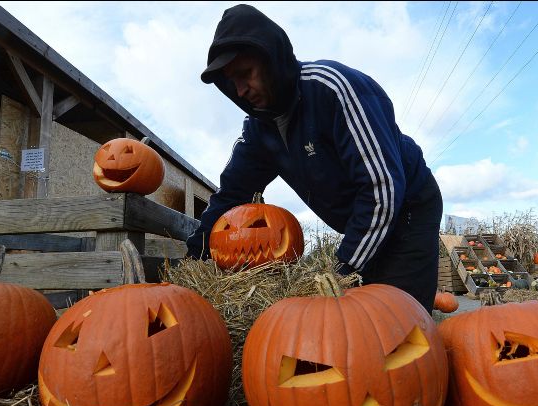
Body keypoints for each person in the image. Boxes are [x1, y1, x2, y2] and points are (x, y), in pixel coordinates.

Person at [185, 4, 443, 314]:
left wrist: (343, 270)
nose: (239, 90)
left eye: (245, 74)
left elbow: (381, 188)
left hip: (407, 207)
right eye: (231, 81)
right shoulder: (258, 132)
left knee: (400, 318)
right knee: (362, 316)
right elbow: (230, 196)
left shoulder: (331, 90)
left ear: (271, 61)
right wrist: (192, 264)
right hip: (363, 218)